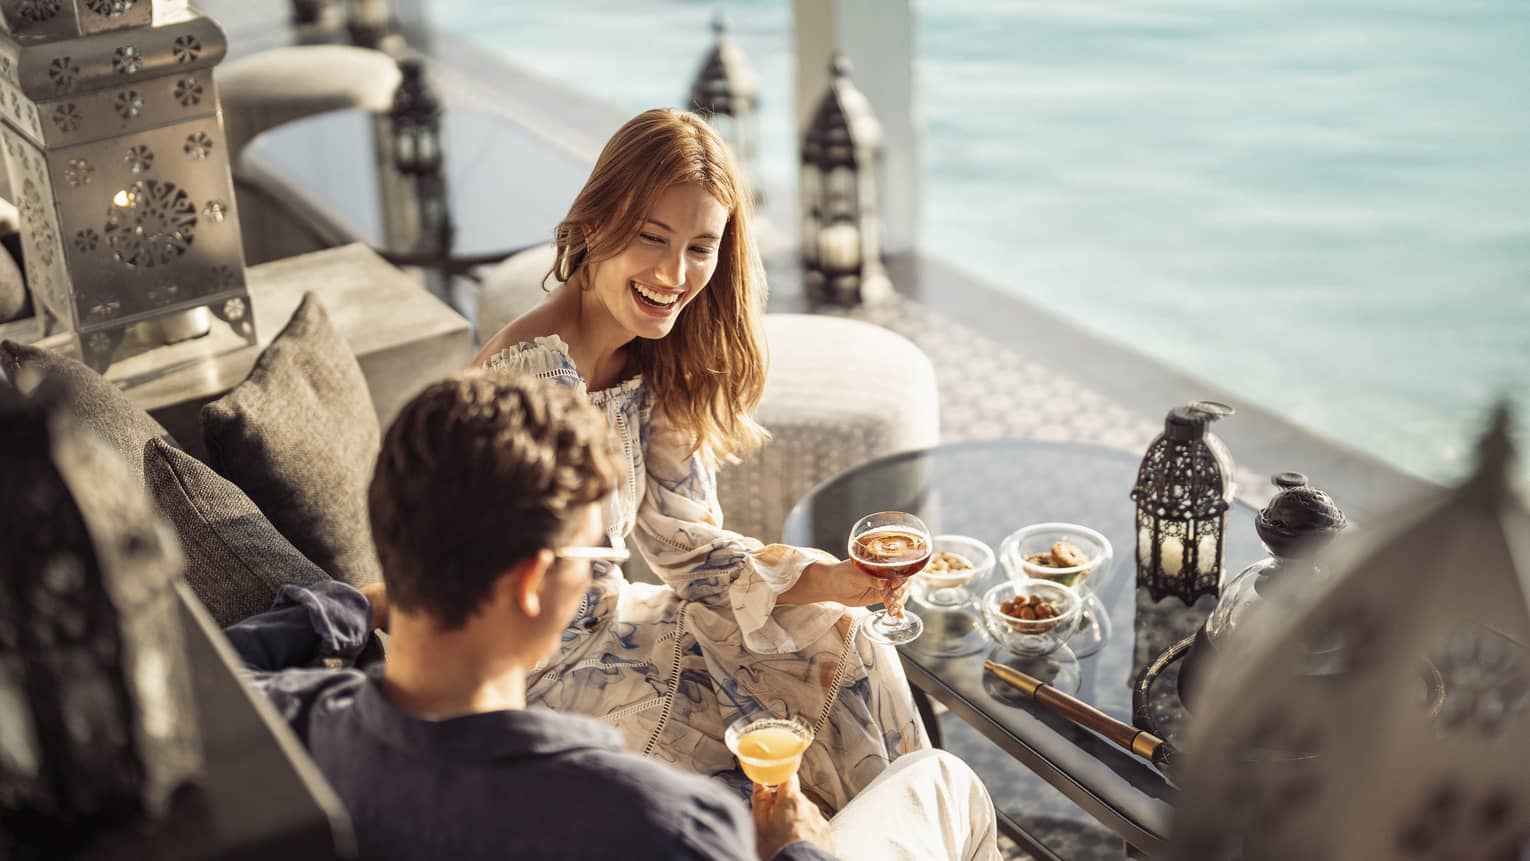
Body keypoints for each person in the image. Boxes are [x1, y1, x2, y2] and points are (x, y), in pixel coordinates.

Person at [226, 373, 1000, 861]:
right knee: (942, 780)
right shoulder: (659, 821)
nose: (605, 576)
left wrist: (354, 602)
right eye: (600, 561)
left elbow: (219, 656)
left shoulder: (279, 727)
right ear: (533, 582)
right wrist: (795, 849)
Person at [470, 108, 925, 811]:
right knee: (746, 774)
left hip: (617, 632)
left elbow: (686, 547)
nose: (674, 274)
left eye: (700, 248)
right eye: (653, 238)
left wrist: (831, 579)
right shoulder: (530, 383)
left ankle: (912, 833)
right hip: (525, 680)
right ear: (593, 224)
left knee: (847, 637)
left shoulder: (650, 356)